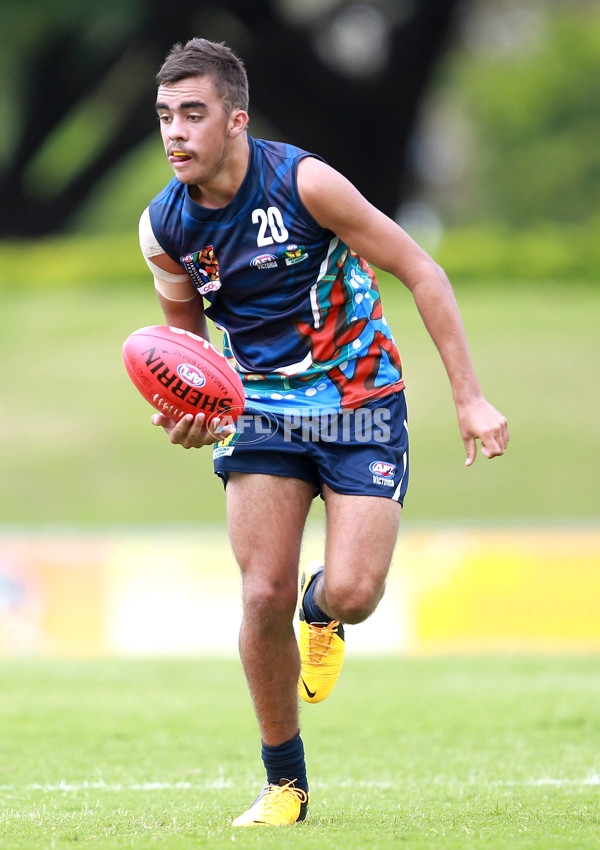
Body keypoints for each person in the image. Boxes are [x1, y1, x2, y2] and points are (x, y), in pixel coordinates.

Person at [138, 37, 509, 827]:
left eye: (193, 114)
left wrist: (470, 398)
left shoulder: (305, 182)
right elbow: (192, 359)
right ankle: (285, 786)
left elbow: (422, 271)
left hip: (360, 399)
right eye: (166, 115)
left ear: (235, 120)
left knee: (357, 592)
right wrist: (190, 416)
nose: (176, 132)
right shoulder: (164, 226)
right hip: (263, 410)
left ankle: (326, 612)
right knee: (260, 591)